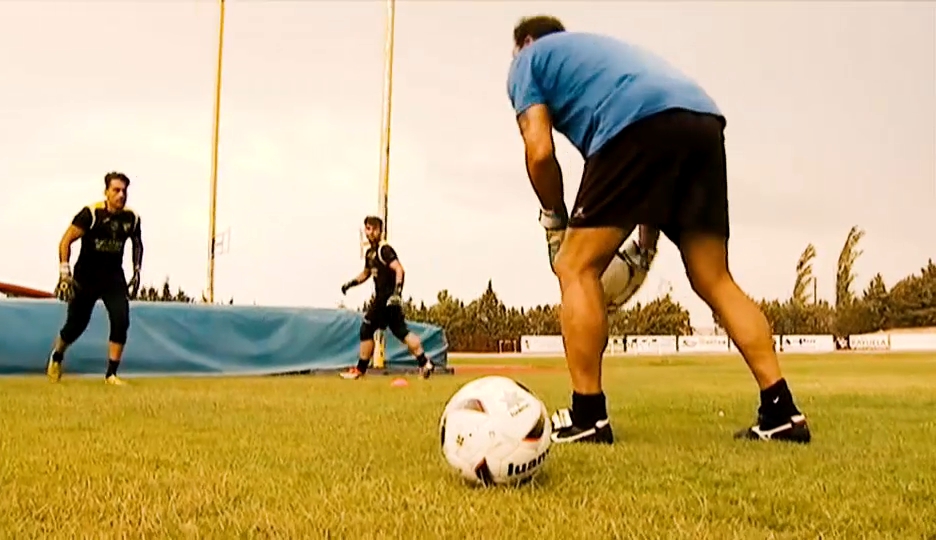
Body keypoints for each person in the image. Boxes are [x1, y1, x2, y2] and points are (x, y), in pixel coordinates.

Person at [506, 16, 810, 445]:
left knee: (575, 267)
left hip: (637, 125)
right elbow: (657, 135)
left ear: (528, 41)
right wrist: (647, 240)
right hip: (701, 121)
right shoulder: (599, 56)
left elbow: (539, 151)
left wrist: (555, 218)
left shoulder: (528, 60)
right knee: (715, 279)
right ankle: (782, 412)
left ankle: (588, 416)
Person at [47, 172, 143, 385]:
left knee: (121, 319)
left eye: (124, 191)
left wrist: (137, 270)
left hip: (113, 277)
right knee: (76, 325)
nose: (121, 195)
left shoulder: (132, 218)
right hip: (86, 277)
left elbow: (137, 243)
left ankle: (111, 374)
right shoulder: (91, 213)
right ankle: (57, 355)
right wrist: (64, 272)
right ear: (106, 192)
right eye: (116, 190)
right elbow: (66, 241)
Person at [339, 216, 435, 380]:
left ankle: (360, 370)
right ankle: (425, 362)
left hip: (385, 299)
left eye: (372, 229)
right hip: (387, 300)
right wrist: (351, 283)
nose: (369, 233)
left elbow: (399, 269)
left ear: (379, 231)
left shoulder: (385, 250)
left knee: (366, 329)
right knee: (401, 331)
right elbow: (366, 273)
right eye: (367, 229)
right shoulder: (370, 253)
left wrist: (397, 293)